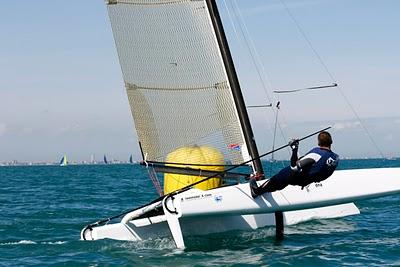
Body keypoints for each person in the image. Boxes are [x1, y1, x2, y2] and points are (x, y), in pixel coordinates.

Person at [250, 131, 339, 198]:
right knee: (283, 181)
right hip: (308, 180)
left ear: (319, 142)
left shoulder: (316, 153)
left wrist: (294, 148)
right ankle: (270, 188)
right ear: (331, 141)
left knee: (283, 175)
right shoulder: (335, 158)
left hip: (299, 178)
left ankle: (257, 191)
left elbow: (294, 166)